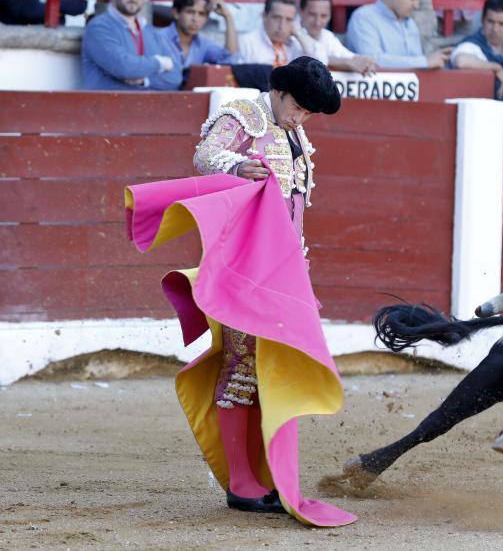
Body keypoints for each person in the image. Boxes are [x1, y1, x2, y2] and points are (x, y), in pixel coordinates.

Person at [125, 57, 356, 526]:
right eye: (298, 106)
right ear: (278, 91)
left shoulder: (295, 135)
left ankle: (266, 475)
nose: (301, 117)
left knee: (274, 369)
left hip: (284, 270)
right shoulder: (243, 117)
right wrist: (238, 165)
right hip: (245, 269)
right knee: (241, 364)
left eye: (310, 113)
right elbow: (206, 156)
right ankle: (240, 483)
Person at [81, 0, 182, 90]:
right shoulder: (98, 27)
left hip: (144, 106)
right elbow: (123, 67)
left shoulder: (151, 32)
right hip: (106, 106)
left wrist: (144, 81)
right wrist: (160, 63)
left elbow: (176, 77)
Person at [345, 0, 452, 69]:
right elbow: (372, 61)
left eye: (418, 0)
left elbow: (416, 64)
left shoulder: (410, 23)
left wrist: (430, 60)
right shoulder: (363, 17)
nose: (416, 5)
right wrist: (424, 61)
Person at [451, 0, 503, 107]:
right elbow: (460, 61)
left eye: (501, 24)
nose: (495, 29)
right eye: (490, 22)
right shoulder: (471, 46)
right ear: (482, 20)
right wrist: (495, 67)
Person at [298, 0, 377, 75]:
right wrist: (345, 62)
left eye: (323, 16)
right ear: (301, 12)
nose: (317, 22)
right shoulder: (290, 34)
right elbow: (312, 59)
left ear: (330, 16)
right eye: (312, 14)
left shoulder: (327, 36)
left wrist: (366, 62)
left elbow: (350, 57)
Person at [160, 0, 238, 70]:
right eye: (190, 12)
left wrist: (228, 17)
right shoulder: (157, 38)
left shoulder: (203, 44)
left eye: (201, 14)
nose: (195, 19)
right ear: (176, 13)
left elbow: (228, 60)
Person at [239, 0, 309, 66]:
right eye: (276, 18)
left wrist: (299, 35)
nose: (282, 26)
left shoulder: (295, 44)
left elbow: (317, 68)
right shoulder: (246, 43)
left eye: (288, 20)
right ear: (264, 16)